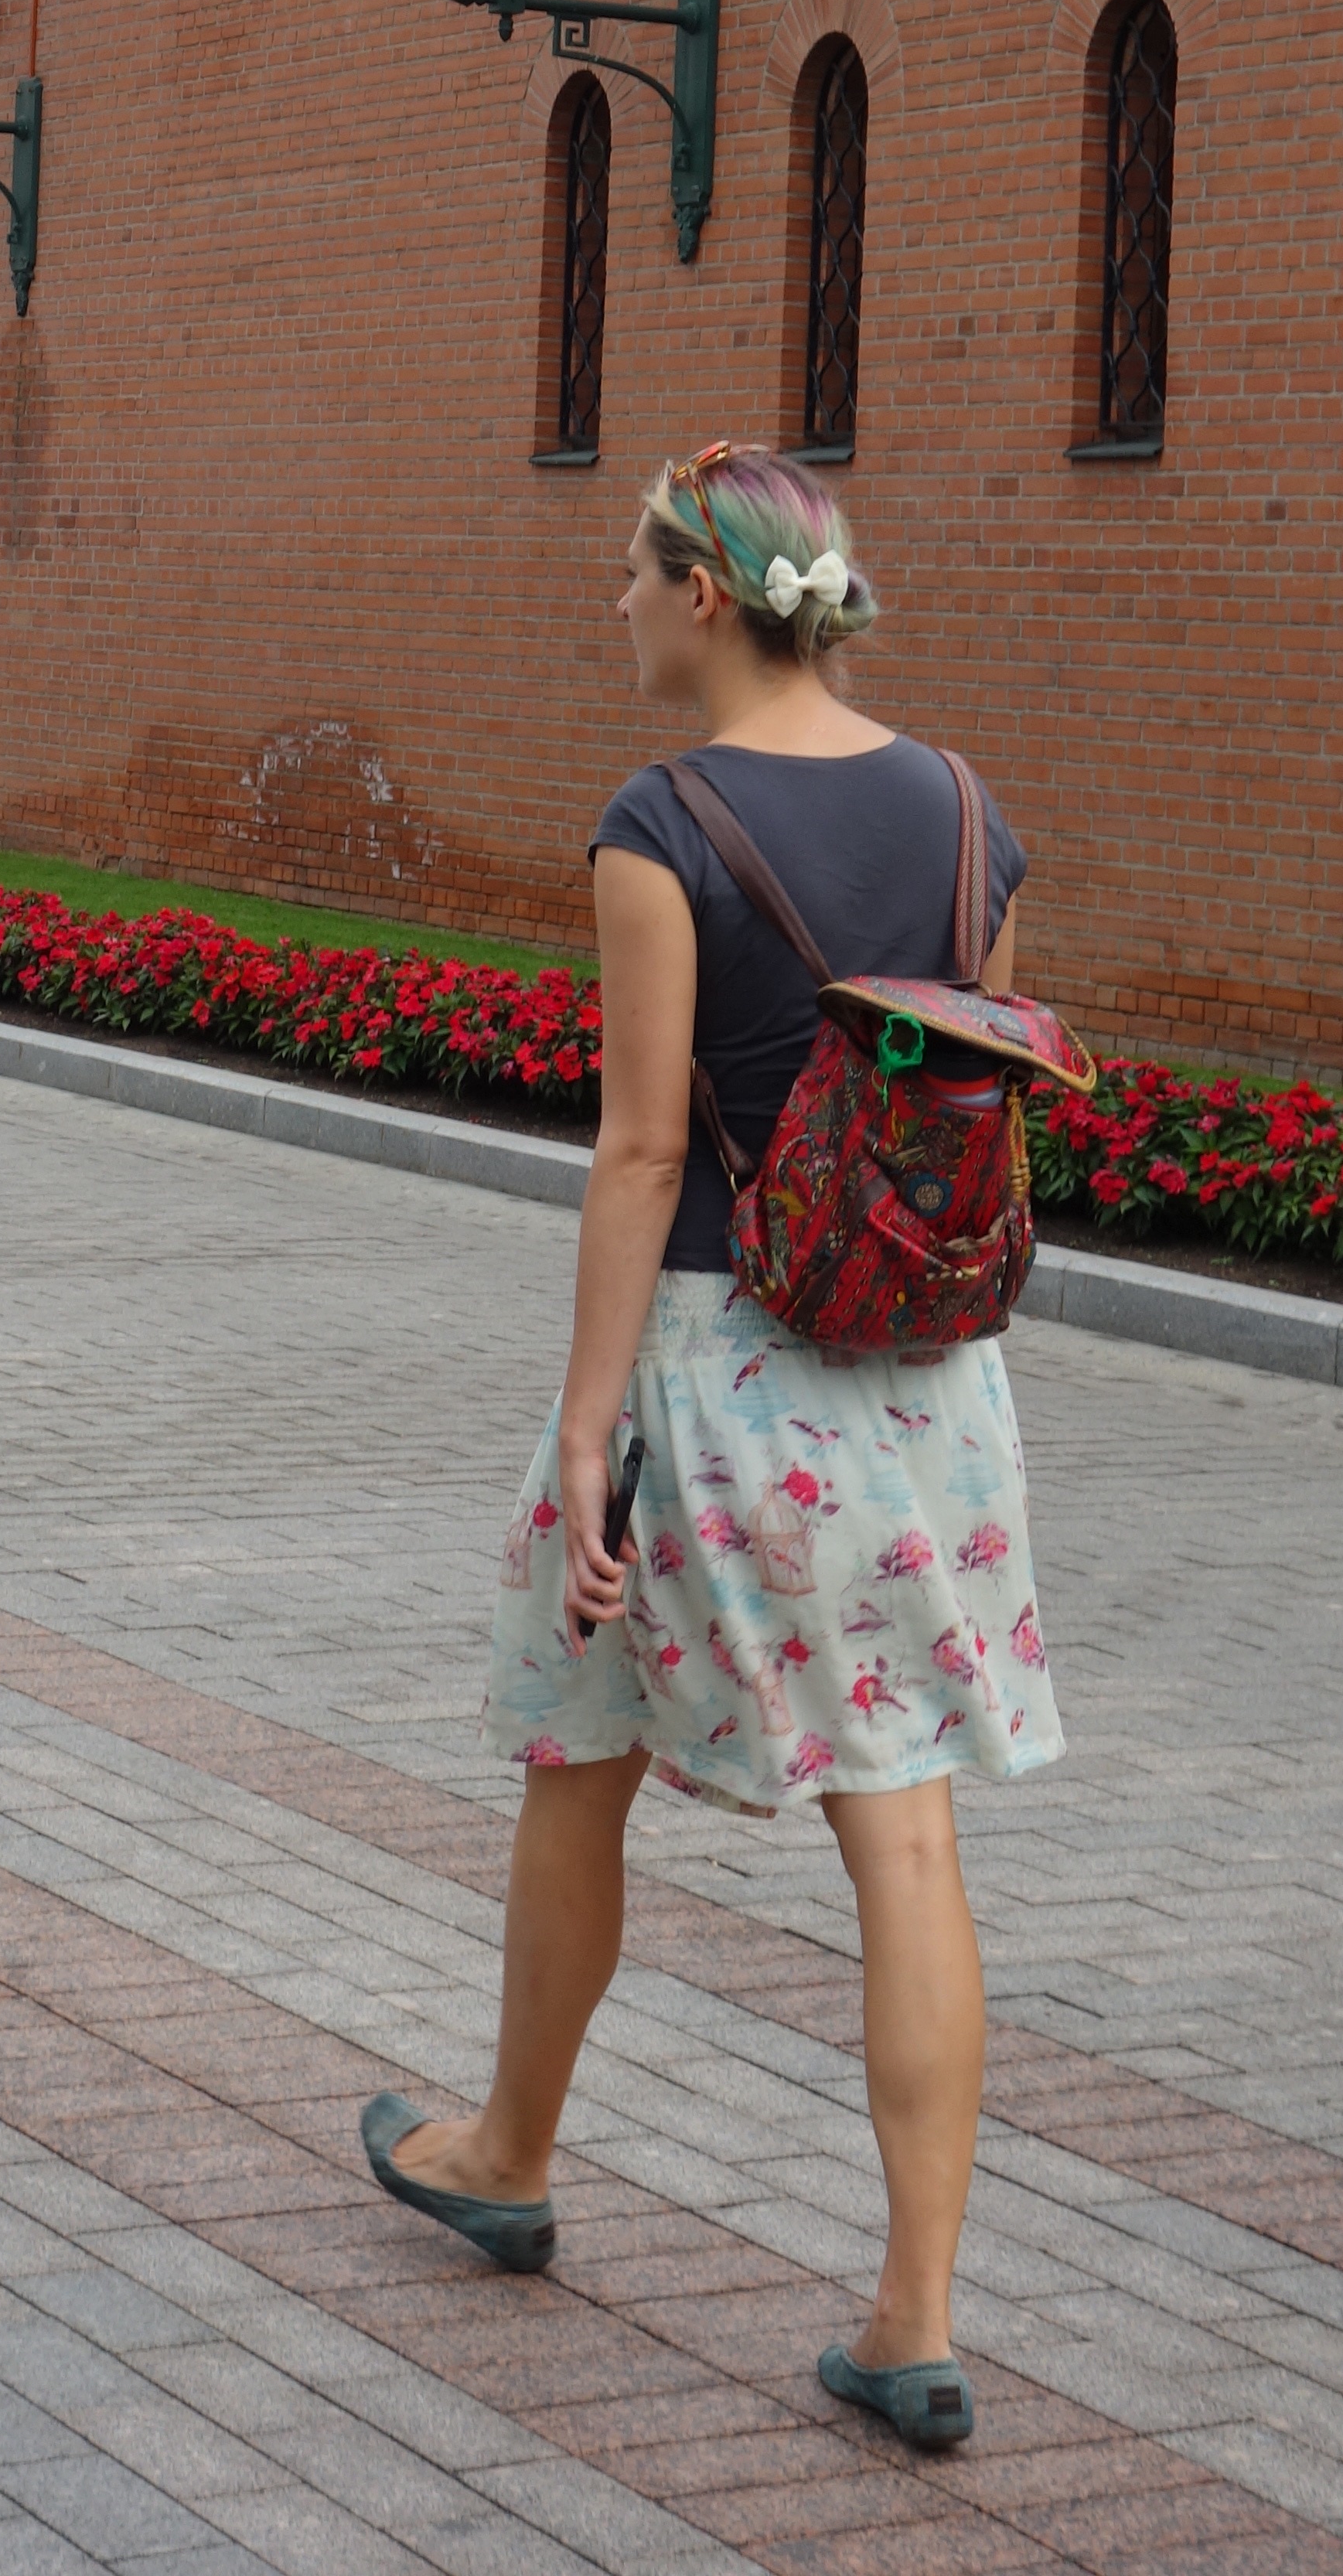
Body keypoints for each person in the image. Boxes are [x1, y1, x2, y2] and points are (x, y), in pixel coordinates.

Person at [361, 444, 1057, 2461]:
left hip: (714, 1373)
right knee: (905, 1830)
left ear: (705, 596)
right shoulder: (969, 813)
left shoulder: (661, 823)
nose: (615, 602)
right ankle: (916, 2320)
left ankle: (511, 2152)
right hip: (923, 1390)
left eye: (632, 570)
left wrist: (589, 1431)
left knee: (580, 1753)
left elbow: (646, 1147)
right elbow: (970, 1102)